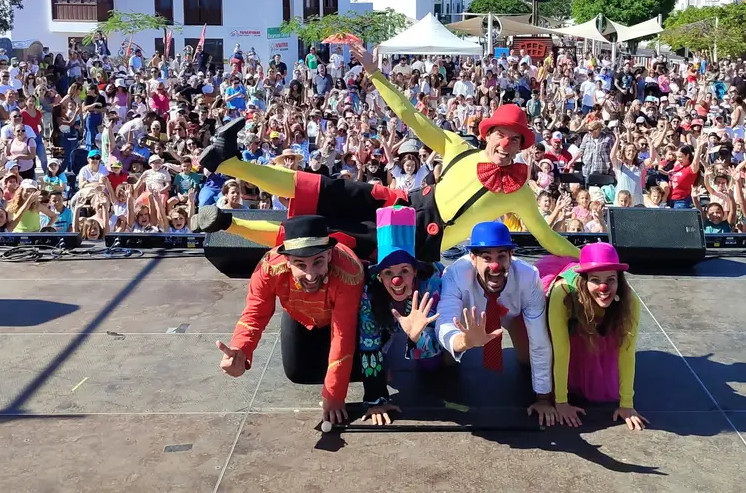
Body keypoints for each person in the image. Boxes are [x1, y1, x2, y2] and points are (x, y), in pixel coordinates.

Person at [190, 41, 579, 262]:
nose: (507, 145)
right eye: (502, 136)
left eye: (516, 140)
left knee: (318, 238)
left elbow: (547, 237)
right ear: (489, 133)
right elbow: (410, 115)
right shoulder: (459, 146)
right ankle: (229, 162)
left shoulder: (521, 190)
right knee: (322, 187)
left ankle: (227, 224)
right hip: (401, 200)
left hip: (413, 240)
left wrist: (589, 260)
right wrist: (376, 74)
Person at [216, 215, 365, 426]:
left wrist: (334, 394)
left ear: (330, 255)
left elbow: (342, 334)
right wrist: (241, 349)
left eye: (318, 262)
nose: (311, 275)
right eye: (301, 265)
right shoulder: (268, 268)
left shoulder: (349, 271)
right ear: (287, 261)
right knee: (298, 373)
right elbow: (255, 312)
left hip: (342, 318)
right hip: (300, 316)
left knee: (362, 370)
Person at [435, 221, 559, 427]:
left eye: (501, 256)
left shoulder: (528, 277)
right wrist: (462, 341)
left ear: (511, 257)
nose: (495, 266)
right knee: (446, 363)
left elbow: (539, 340)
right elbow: (445, 320)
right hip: (470, 319)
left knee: (529, 360)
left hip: (512, 314)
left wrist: (544, 399)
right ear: (473, 259)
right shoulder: (455, 274)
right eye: (487, 258)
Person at [535, 242, 646, 431]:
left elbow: (627, 351)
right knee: (535, 358)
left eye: (611, 279)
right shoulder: (562, 293)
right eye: (595, 280)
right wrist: (561, 402)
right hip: (568, 312)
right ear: (584, 280)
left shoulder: (630, 300)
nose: (604, 287)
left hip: (599, 316)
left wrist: (626, 404)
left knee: (599, 349)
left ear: (619, 280)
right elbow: (560, 350)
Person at [356, 205, 445, 426]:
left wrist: (416, 337)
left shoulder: (431, 281)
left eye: (404, 271)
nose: (397, 281)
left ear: (415, 270)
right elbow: (368, 344)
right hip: (386, 323)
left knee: (431, 365)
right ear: (379, 276)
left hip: (422, 330)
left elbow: (433, 340)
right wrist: (376, 399)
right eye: (388, 273)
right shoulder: (369, 291)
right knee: (376, 360)